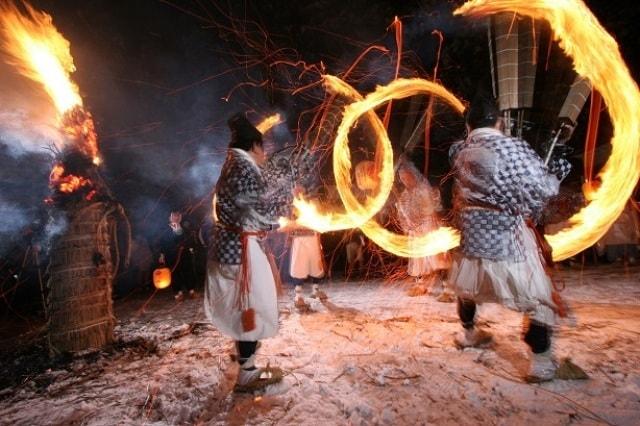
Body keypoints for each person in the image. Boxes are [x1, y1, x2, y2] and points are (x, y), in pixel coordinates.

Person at [448, 94, 571, 382]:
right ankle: (540, 363)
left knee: (468, 288)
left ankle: (468, 333)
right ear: (500, 121)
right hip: (505, 238)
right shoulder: (512, 147)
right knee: (539, 299)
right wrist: (558, 166)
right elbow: (542, 190)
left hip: (471, 236)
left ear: (468, 125)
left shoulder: (458, 150)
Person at [204, 113, 293, 392]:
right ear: (254, 146)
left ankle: (245, 362)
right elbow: (258, 212)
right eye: (263, 148)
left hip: (235, 249)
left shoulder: (233, 166)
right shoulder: (243, 169)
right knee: (250, 307)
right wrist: (284, 207)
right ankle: (247, 374)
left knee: (247, 308)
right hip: (240, 253)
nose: (264, 154)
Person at [396, 161, 451, 299]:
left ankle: (447, 290)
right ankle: (420, 285)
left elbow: (432, 207)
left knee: (437, 258)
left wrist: (419, 218)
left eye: (407, 177)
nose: (405, 181)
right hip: (415, 231)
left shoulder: (424, 189)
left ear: (413, 175)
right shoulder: (404, 195)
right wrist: (407, 223)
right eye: (402, 178)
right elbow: (402, 215)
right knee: (418, 260)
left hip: (429, 227)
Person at [157, 211, 200, 301]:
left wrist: (190, 248)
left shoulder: (185, 228)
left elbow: (190, 240)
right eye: (174, 215)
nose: (176, 217)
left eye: (178, 215)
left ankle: (191, 291)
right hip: (171, 255)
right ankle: (178, 293)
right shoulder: (164, 229)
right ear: (170, 217)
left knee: (188, 271)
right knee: (175, 273)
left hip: (184, 254)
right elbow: (162, 243)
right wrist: (161, 255)